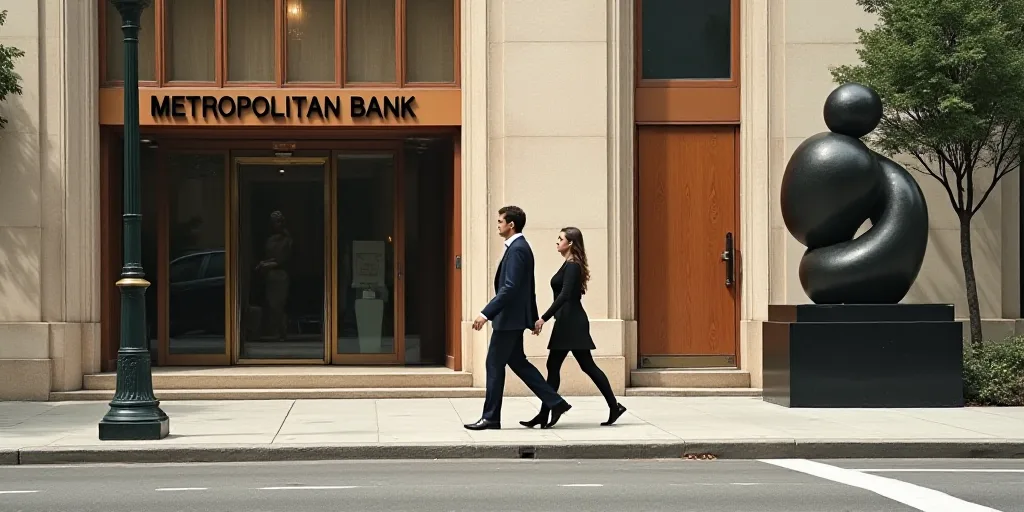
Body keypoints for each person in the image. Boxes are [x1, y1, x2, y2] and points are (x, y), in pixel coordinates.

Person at [464, 206, 573, 431]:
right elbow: (527, 288)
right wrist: (531, 317)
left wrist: (486, 314)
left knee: (493, 364)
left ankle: (491, 417)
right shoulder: (520, 248)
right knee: (518, 363)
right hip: (514, 319)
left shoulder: (517, 249)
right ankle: (555, 402)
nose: (498, 225)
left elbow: (511, 288)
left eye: (500, 221)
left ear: (511, 224)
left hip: (508, 320)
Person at [522, 227, 626, 428]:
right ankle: (612, 407)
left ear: (570, 243)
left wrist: (543, 318)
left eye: (560, 238)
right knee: (574, 366)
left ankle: (548, 412)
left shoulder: (572, 266)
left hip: (571, 323)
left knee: (576, 366)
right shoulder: (568, 264)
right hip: (568, 322)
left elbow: (565, 295)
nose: (557, 241)